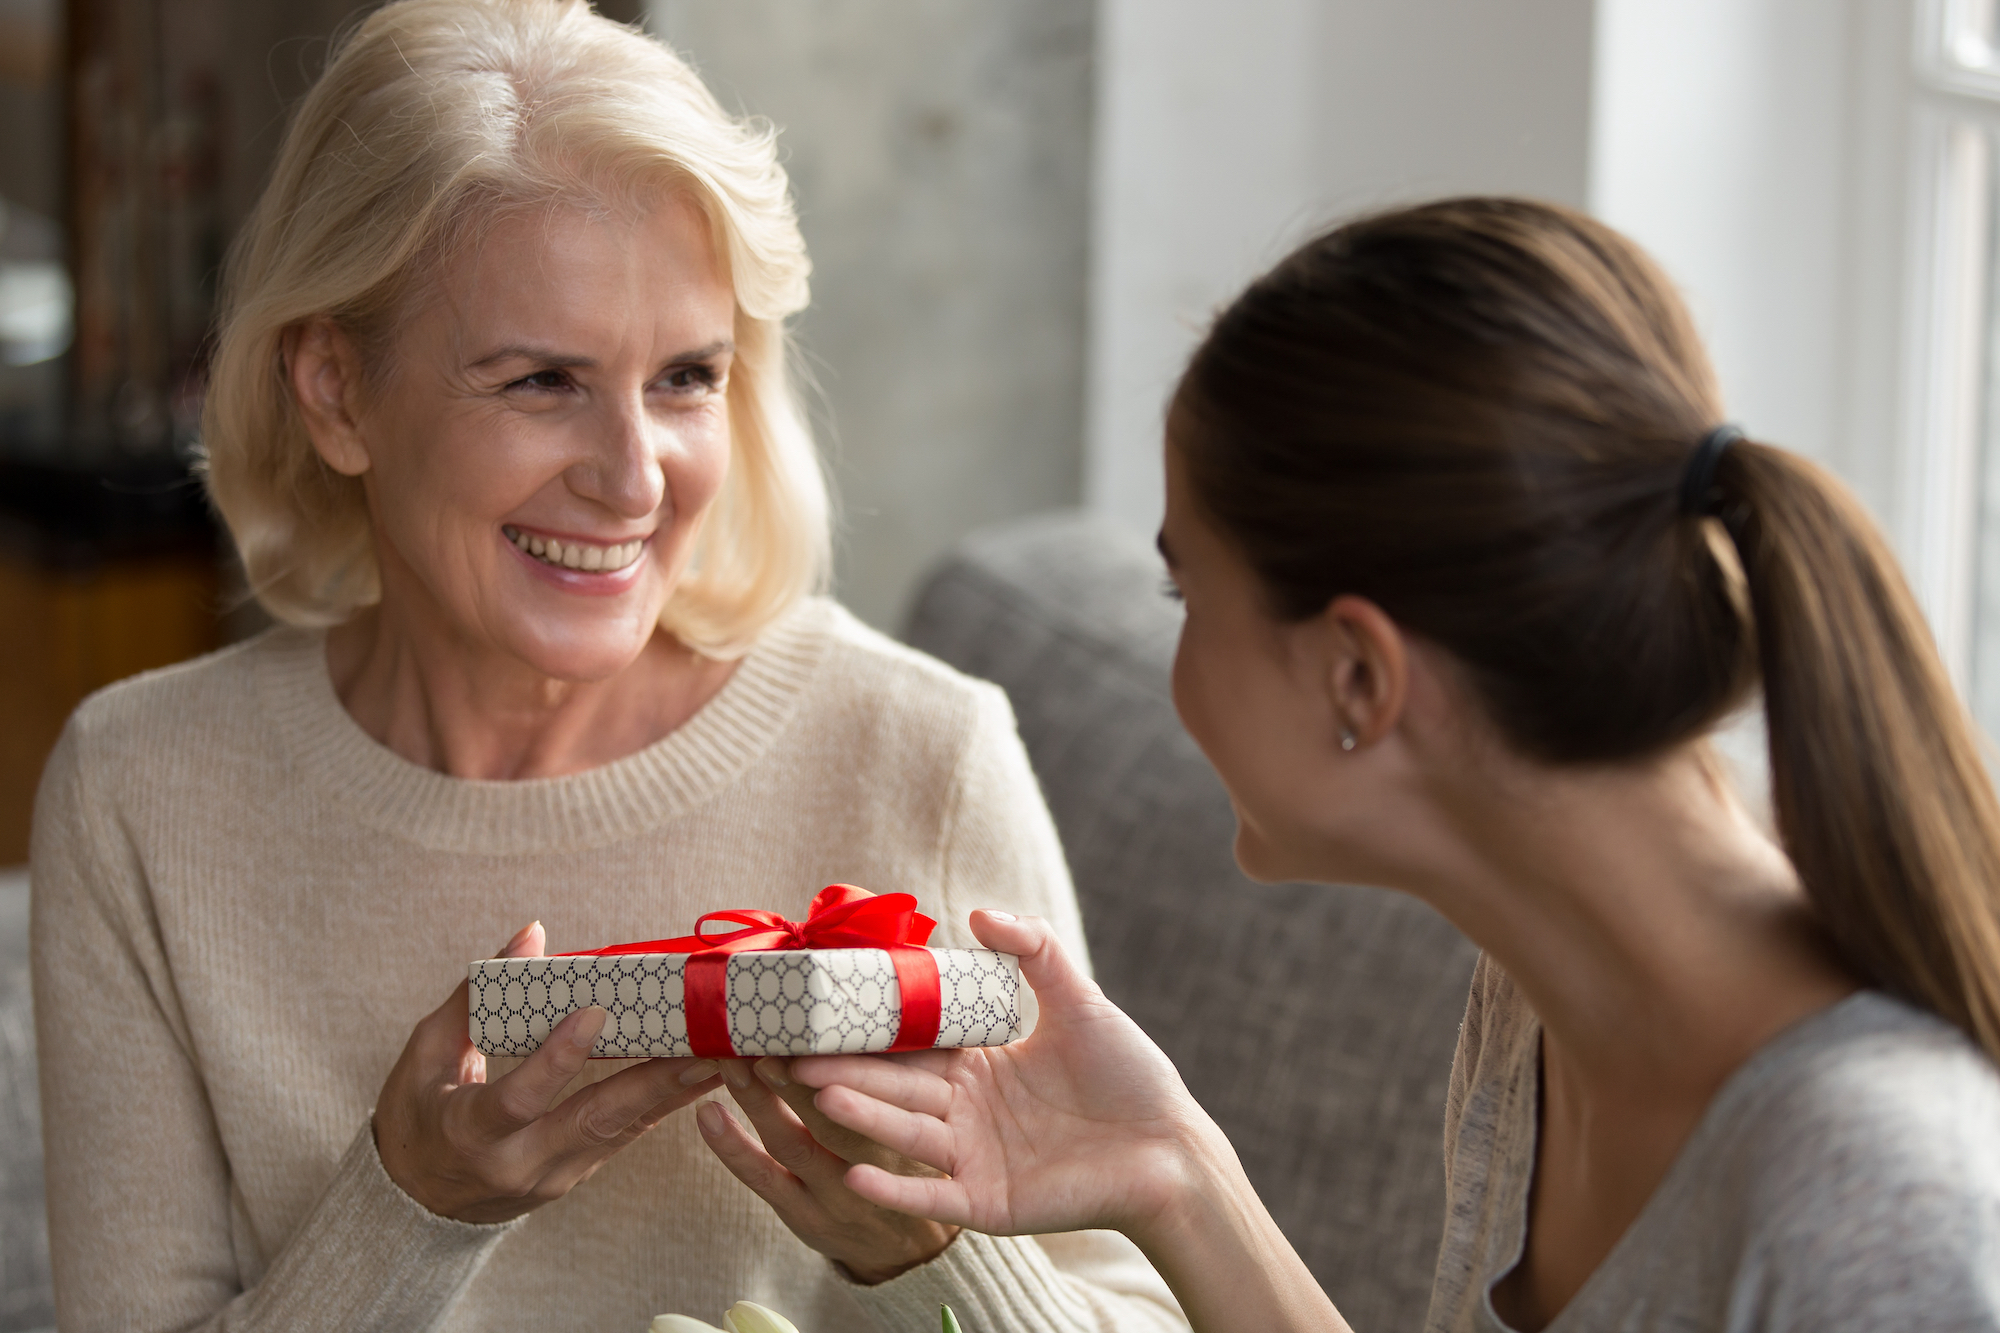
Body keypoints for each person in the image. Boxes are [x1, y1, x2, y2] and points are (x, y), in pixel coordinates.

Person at [27, 4, 1186, 1331]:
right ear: (336, 389)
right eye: (539, 381)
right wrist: (406, 1211)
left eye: (686, 376)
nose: (632, 476)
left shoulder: (919, 750)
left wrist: (932, 1254)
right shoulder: (140, 791)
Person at [791, 199, 2000, 1332]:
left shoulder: (1875, 1201)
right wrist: (1172, 1172)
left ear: (1357, 677)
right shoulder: (1534, 1000)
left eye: (1186, 592)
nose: (1178, 660)